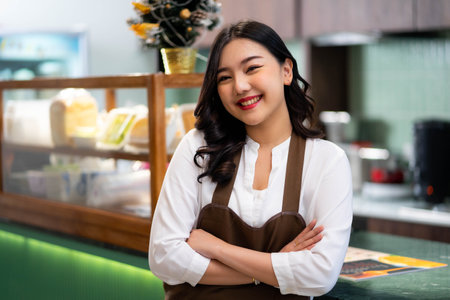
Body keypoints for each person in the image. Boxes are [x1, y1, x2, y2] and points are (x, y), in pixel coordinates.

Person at [149, 20, 353, 299]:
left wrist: (216, 248)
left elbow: (320, 274)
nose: (240, 86)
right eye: (224, 77)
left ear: (286, 70)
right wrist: (273, 267)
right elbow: (163, 257)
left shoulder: (327, 161)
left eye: (252, 68)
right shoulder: (198, 148)